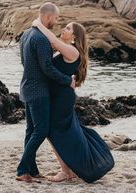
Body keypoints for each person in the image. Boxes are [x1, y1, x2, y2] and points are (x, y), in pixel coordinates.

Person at [32, 18, 115, 183]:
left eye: (68, 29)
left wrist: (39, 24)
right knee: (61, 132)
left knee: (53, 132)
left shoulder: (72, 51)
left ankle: (65, 171)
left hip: (61, 99)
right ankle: (69, 170)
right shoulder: (67, 50)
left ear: (75, 37)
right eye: (64, 27)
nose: (64, 29)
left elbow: (53, 41)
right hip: (58, 96)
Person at [16, 2, 75, 183]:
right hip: (38, 92)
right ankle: (22, 170)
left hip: (26, 87)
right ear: (48, 17)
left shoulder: (26, 34)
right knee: (41, 131)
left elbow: (24, 62)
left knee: (31, 131)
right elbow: (47, 68)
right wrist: (67, 80)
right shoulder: (41, 39)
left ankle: (31, 170)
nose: (56, 22)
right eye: (56, 18)